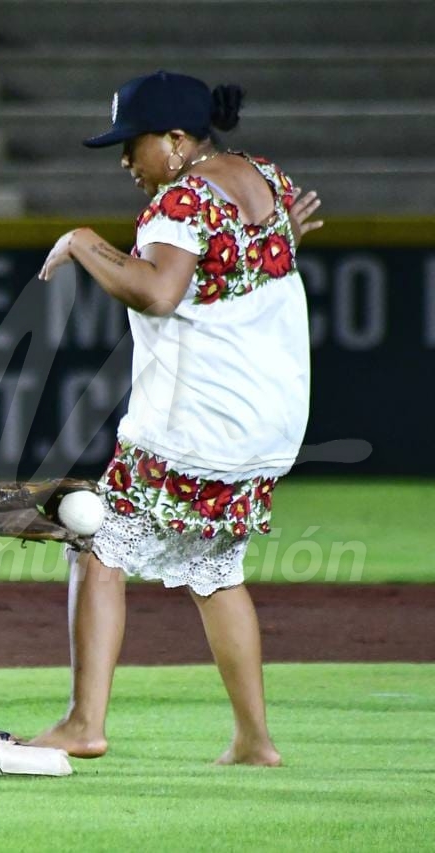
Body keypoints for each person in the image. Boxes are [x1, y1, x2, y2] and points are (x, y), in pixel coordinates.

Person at [30, 71, 324, 766]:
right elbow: (243, 272)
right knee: (214, 566)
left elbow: (157, 293)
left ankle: (83, 723)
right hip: (267, 426)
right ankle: (254, 739)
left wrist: (82, 242)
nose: (126, 162)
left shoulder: (181, 200)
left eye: (132, 145)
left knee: (96, 542)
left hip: (198, 423)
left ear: (176, 139)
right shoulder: (264, 178)